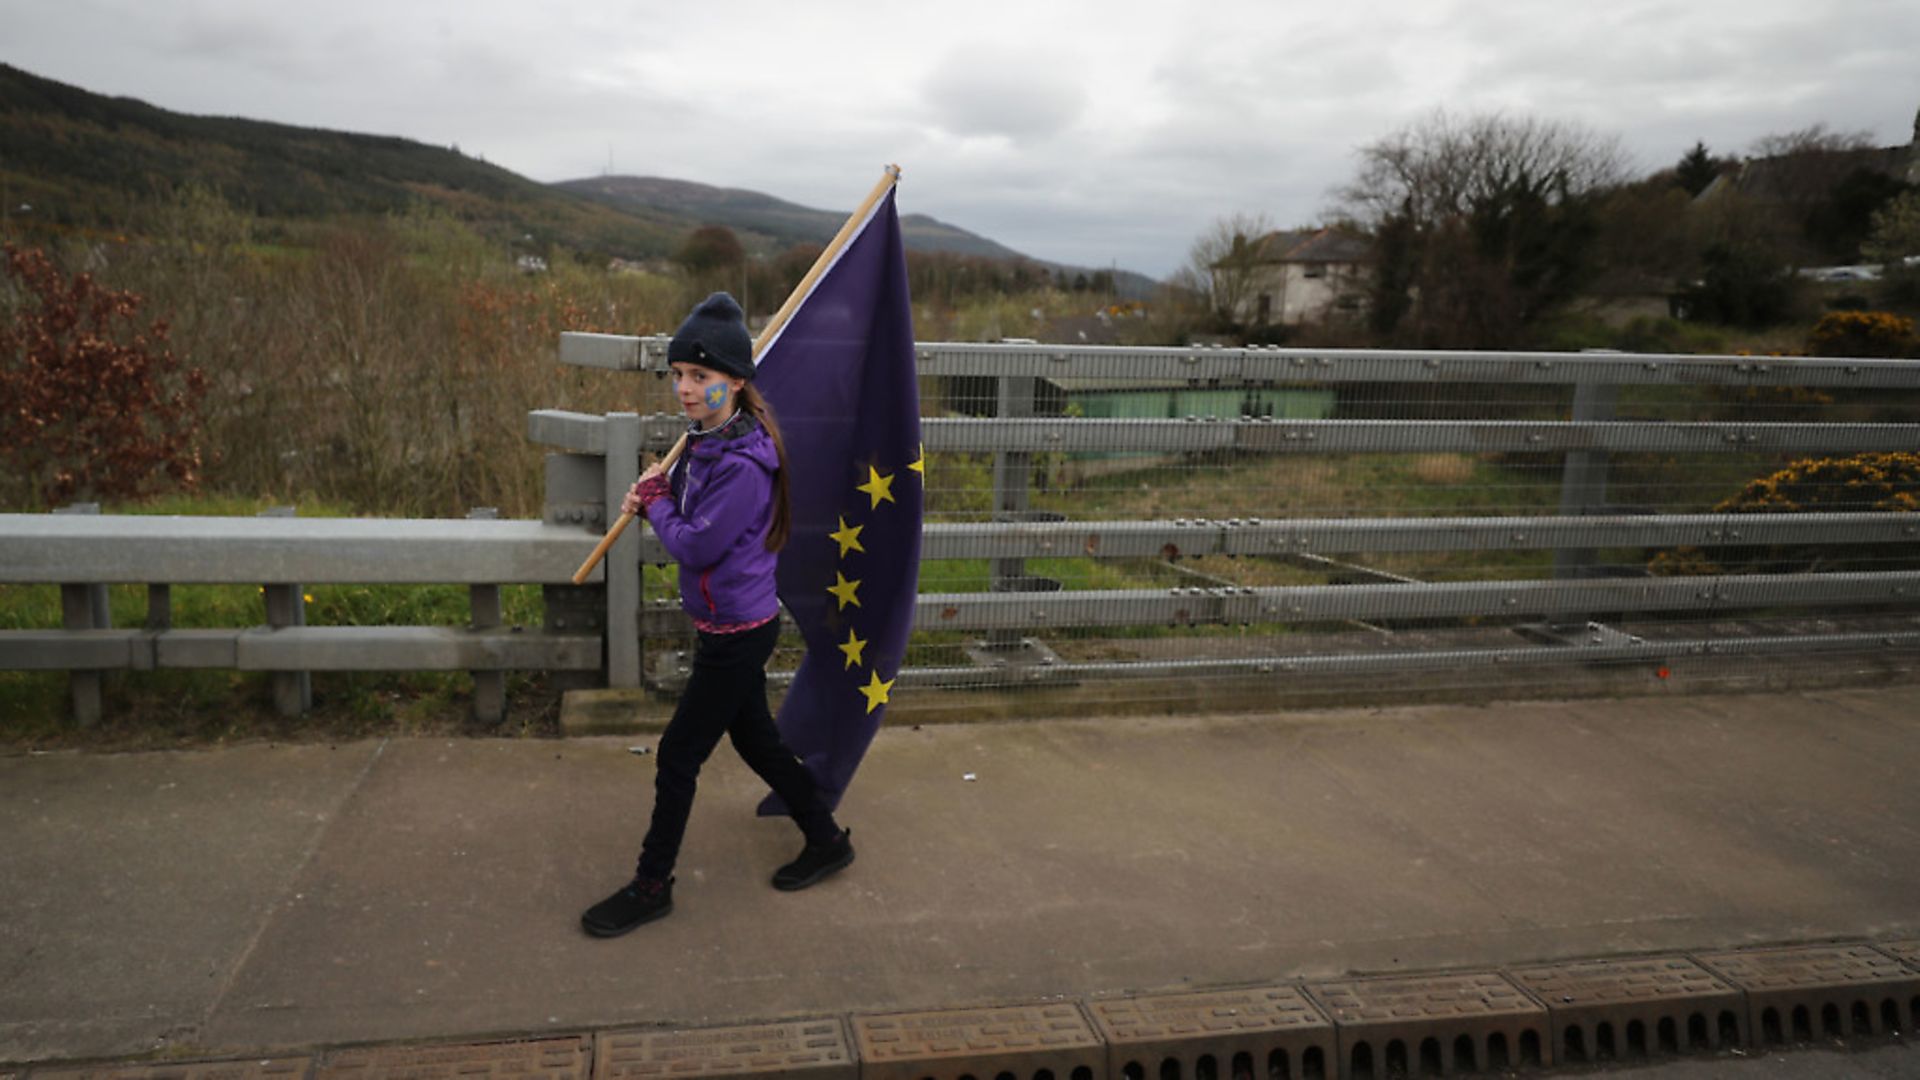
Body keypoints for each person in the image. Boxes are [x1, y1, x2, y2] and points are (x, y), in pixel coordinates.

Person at [581, 292, 853, 939]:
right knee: (755, 738)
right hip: (728, 624)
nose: (684, 387)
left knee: (677, 755)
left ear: (734, 381)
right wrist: (659, 490)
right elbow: (689, 513)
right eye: (677, 374)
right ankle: (825, 838)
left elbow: (697, 543)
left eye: (699, 376)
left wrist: (656, 508)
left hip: (738, 633)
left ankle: (651, 886)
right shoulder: (706, 442)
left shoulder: (743, 463)